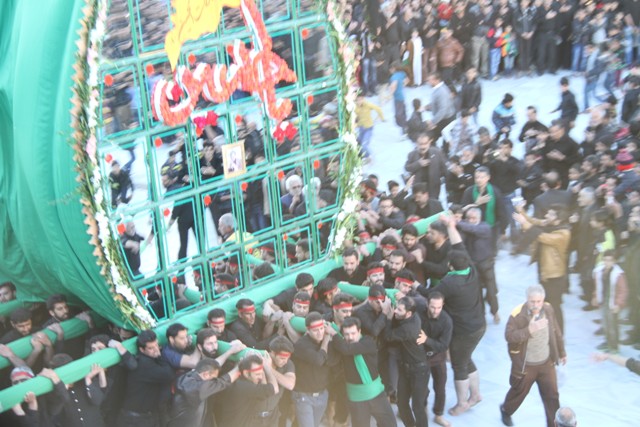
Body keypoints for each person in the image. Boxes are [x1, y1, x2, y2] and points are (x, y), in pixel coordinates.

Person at [425, 215, 485, 416]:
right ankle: (475, 395)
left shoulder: (449, 283)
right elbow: (459, 244)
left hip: (464, 331)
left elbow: (431, 295)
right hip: (478, 326)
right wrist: (451, 226)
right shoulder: (470, 269)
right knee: (465, 358)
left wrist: (414, 287)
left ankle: (462, 403)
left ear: (450, 266)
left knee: (459, 365)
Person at [500, 285, 566, 427]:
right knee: (519, 392)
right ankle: (506, 410)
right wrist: (529, 330)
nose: (536, 305)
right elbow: (509, 336)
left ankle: (554, 425)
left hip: (546, 362)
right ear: (527, 300)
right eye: (532, 301)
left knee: (552, 396)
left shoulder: (548, 309)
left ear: (543, 300)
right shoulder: (517, 314)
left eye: (538, 301)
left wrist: (562, 352)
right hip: (526, 365)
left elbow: (556, 331)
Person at [514, 204, 571, 332]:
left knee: (554, 306)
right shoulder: (549, 224)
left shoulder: (564, 233)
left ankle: (559, 334)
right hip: (545, 272)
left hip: (554, 276)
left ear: (558, 219)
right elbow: (533, 222)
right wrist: (521, 211)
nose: (546, 215)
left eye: (550, 214)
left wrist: (524, 223)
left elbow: (542, 237)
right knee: (546, 304)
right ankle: (549, 329)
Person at [331, 317, 397, 427]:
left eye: (353, 333)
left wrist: (333, 334)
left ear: (359, 331)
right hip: (357, 398)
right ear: (342, 334)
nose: (350, 337)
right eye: (346, 334)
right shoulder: (341, 343)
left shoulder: (367, 341)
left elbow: (348, 349)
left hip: (377, 395)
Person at [384, 296, 429, 427]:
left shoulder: (407, 329)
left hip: (419, 371)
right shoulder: (414, 316)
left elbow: (388, 336)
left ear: (408, 313)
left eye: (399, 310)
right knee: (402, 403)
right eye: (396, 308)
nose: (395, 311)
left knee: (417, 407)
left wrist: (388, 318)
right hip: (406, 368)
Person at [117, 330, 175, 427]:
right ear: (142, 350)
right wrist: (159, 356)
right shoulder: (144, 364)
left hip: (140, 417)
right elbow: (169, 374)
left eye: (156, 345)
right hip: (135, 420)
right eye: (151, 348)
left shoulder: (146, 360)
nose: (156, 349)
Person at [291, 312, 339, 427]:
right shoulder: (301, 344)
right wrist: (326, 340)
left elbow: (333, 360)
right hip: (304, 395)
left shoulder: (328, 343)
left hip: (322, 394)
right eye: (315, 330)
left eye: (322, 328)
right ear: (308, 330)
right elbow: (319, 360)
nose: (320, 332)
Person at [456, 207, 500, 324]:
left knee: (491, 292)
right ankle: (482, 314)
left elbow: (473, 229)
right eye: (468, 218)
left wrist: (458, 222)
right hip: (473, 265)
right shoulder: (465, 227)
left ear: (479, 218)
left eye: (473, 218)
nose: (471, 220)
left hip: (486, 264)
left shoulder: (485, 227)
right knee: (477, 292)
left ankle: (495, 312)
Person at [167, 357, 239, 427]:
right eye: (213, 379)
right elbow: (221, 383)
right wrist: (239, 367)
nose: (213, 381)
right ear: (205, 374)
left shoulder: (191, 375)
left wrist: (230, 352)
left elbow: (212, 365)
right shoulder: (195, 388)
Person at [216, 353, 280, 426]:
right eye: (257, 374)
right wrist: (268, 368)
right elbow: (275, 389)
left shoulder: (237, 382)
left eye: (261, 373)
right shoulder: (246, 388)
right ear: (246, 373)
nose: (260, 377)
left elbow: (264, 386)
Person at [419, 292, 453, 427]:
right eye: (433, 307)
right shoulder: (419, 315)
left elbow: (443, 345)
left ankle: (438, 415)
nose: (435, 310)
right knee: (422, 387)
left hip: (438, 357)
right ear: (427, 304)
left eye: (439, 307)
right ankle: (423, 409)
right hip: (422, 357)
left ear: (443, 305)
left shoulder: (446, 321)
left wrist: (426, 340)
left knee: (440, 387)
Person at [592, 250, 628, 353]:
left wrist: (619, 304)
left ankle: (614, 346)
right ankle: (607, 342)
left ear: (614, 261)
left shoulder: (618, 274)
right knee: (605, 324)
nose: (607, 263)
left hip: (613, 302)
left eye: (610, 260)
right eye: (605, 260)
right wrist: (595, 296)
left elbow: (623, 290)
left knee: (612, 325)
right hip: (603, 301)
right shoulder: (599, 271)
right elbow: (597, 286)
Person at [404, 132, 448, 200]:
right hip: (418, 189)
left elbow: (445, 169)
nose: (423, 147)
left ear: (429, 142)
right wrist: (418, 164)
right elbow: (407, 168)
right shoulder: (412, 154)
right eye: (420, 144)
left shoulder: (437, 152)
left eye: (425, 143)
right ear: (416, 143)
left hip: (433, 188)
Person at [426, 73, 457, 143]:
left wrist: (433, 122)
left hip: (446, 120)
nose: (428, 82)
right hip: (442, 119)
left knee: (432, 138)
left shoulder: (441, 91)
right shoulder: (437, 89)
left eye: (430, 80)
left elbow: (443, 110)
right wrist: (426, 107)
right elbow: (436, 103)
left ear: (437, 80)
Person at [355, 95, 385, 160]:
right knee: (359, 144)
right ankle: (365, 157)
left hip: (368, 128)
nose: (359, 101)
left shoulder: (368, 105)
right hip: (361, 128)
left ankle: (369, 156)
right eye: (357, 100)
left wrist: (382, 118)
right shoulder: (355, 107)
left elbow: (378, 109)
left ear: (363, 99)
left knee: (364, 144)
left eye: (360, 99)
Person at [388, 62, 408, 133]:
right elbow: (407, 80)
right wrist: (402, 86)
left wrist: (390, 94)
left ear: (393, 68)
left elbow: (394, 85)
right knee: (402, 112)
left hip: (397, 98)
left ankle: (404, 127)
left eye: (390, 69)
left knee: (398, 114)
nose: (390, 70)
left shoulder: (394, 77)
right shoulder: (402, 73)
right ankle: (405, 126)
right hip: (402, 96)